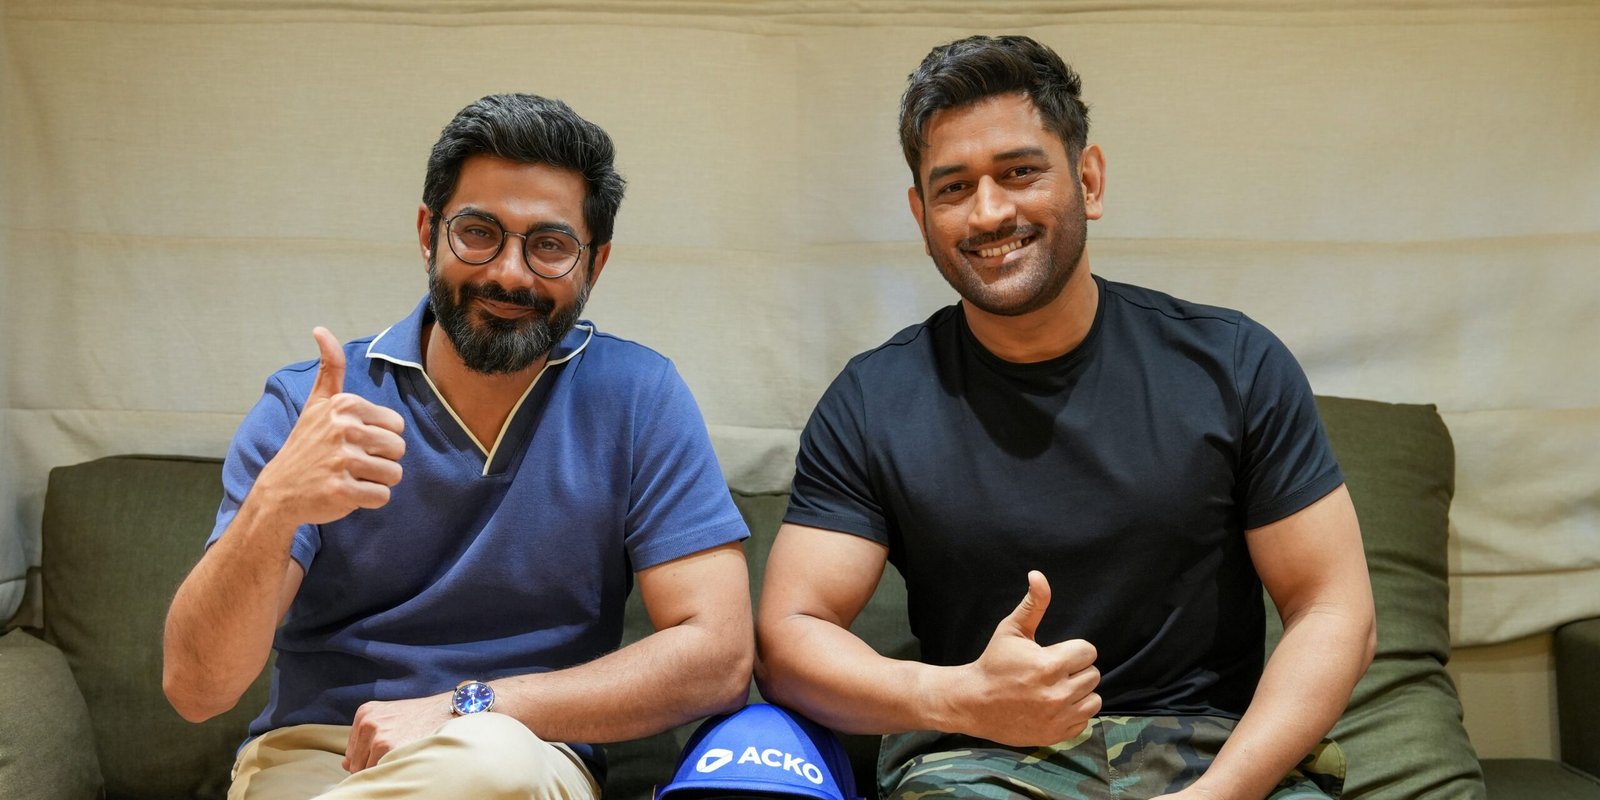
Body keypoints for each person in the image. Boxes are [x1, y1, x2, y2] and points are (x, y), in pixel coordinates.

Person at [755, 35, 1376, 800]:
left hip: (1218, 758)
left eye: (1019, 172)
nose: (989, 212)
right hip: (979, 761)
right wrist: (957, 696)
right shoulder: (872, 400)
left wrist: (1220, 794)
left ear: (1088, 180)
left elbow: (1334, 609)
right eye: (954, 188)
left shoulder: (1235, 364)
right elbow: (790, 638)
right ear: (921, 215)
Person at [163, 93, 754, 800]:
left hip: (525, 753)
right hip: (319, 756)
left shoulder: (638, 398)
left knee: (488, 765)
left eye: (550, 245)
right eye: (478, 232)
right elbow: (197, 690)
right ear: (428, 234)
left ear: (594, 264)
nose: (509, 273)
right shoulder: (313, 406)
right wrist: (275, 504)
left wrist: (471, 706)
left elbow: (718, 659)